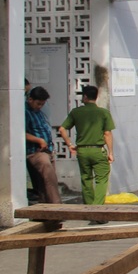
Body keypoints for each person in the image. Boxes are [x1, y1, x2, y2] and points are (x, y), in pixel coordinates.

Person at [60, 85, 116, 213]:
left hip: (82, 150)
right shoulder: (103, 113)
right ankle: (97, 208)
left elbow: (62, 129)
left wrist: (69, 144)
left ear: (85, 97)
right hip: (98, 150)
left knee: (86, 178)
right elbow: (107, 133)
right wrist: (111, 152)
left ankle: (89, 208)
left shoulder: (76, 112)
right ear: (96, 97)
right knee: (101, 179)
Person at [25, 86, 61, 204]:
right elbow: (21, 133)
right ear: (30, 100)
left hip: (47, 150)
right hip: (36, 152)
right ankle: (57, 207)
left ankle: (46, 209)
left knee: (46, 182)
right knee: (49, 180)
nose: (40, 106)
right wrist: (38, 140)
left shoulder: (39, 113)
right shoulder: (25, 112)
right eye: (38, 103)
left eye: (42, 104)